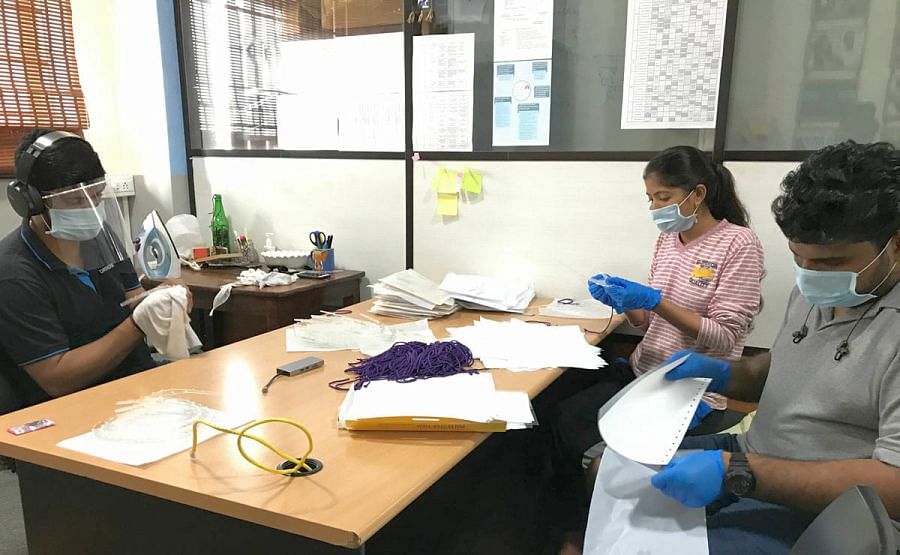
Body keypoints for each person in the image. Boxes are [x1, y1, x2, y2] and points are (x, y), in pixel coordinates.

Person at [646, 140, 900, 553]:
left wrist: (740, 472)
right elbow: (782, 369)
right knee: (610, 468)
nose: (810, 275)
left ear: (896, 244)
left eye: (831, 263)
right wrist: (728, 373)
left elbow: (894, 486)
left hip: (830, 506)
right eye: (799, 258)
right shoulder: (817, 291)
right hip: (753, 454)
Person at [553, 145, 764, 480]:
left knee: (605, 448)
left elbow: (725, 338)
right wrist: (626, 303)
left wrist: (654, 300)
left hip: (692, 389)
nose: (654, 208)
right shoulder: (667, 239)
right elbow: (650, 322)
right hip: (644, 373)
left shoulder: (738, 244)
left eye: (663, 197)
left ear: (697, 194)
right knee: (566, 411)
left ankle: (597, 511)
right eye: (650, 198)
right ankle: (578, 514)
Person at [0, 129, 184, 412]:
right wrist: (137, 324)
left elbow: (132, 296)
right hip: (69, 415)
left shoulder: (98, 236)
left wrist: (161, 297)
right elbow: (57, 378)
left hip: (135, 391)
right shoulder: (13, 273)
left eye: (97, 196)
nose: (91, 209)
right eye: (75, 200)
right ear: (31, 202)